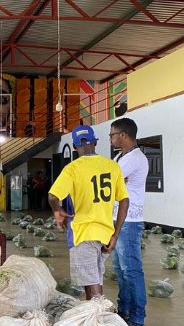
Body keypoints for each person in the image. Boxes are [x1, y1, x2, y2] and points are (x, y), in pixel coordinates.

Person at [48, 125, 129, 301]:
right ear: (95, 142)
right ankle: (96, 319)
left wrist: (57, 212)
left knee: (93, 289)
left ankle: (99, 322)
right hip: (106, 234)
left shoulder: (73, 168)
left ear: (75, 147)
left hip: (84, 234)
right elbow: (124, 200)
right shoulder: (112, 166)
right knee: (94, 281)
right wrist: (115, 235)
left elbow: (53, 197)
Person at [109, 117, 149, 326]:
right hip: (117, 219)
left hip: (130, 221)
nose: (112, 138)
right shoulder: (119, 157)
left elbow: (112, 181)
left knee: (131, 269)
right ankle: (124, 310)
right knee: (120, 269)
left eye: (113, 134)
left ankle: (137, 319)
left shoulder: (135, 159)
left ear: (123, 135)